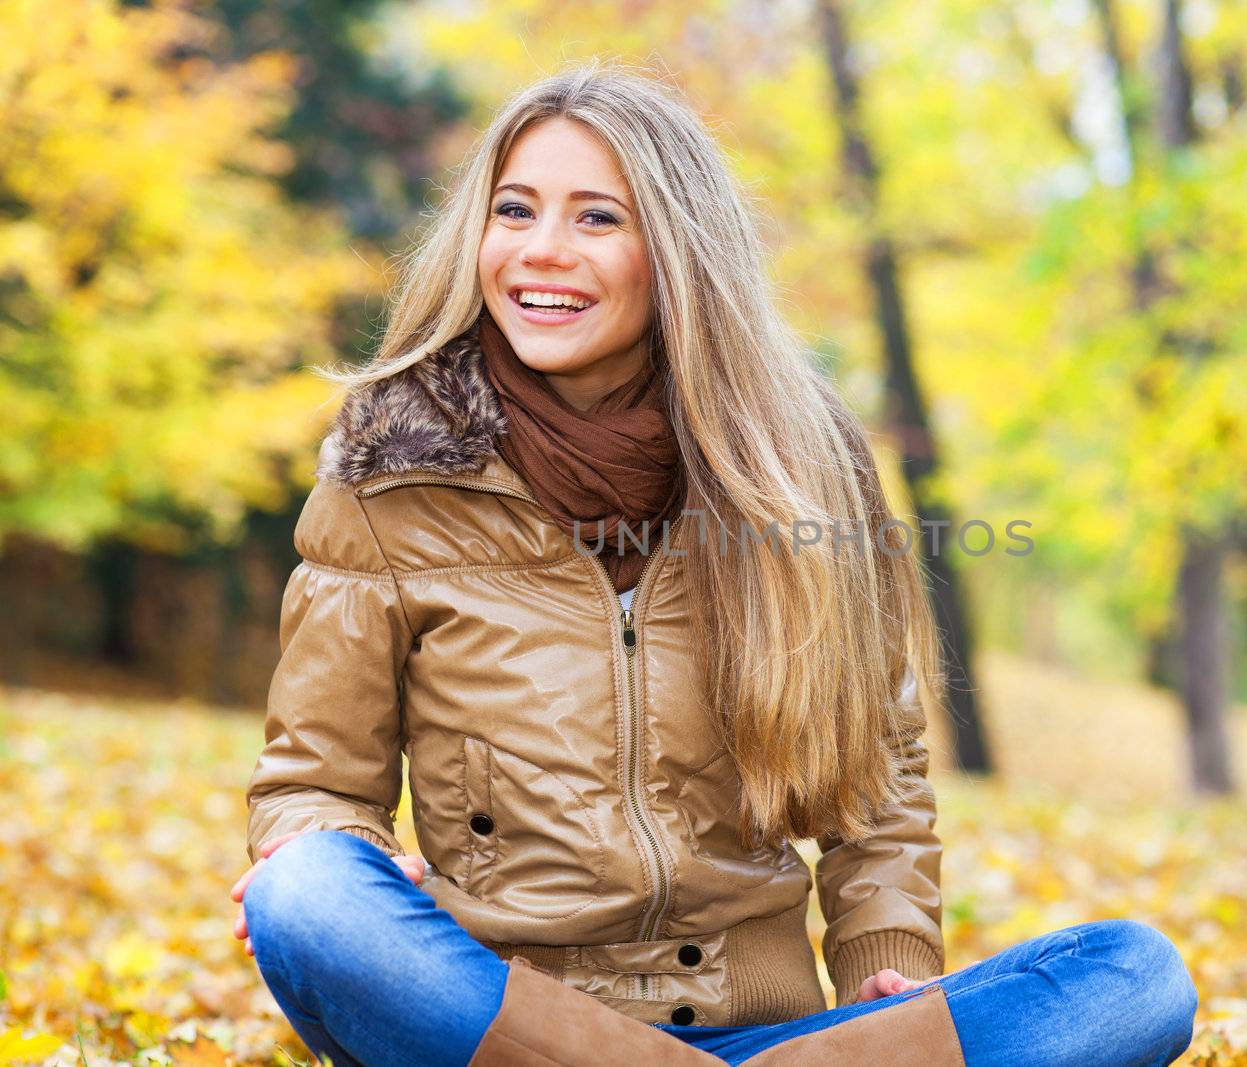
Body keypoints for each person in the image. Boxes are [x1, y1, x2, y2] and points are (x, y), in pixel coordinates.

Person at [230, 62, 1197, 1067]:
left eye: (597, 219)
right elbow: (314, 781)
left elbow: (879, 769)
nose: (539, 252)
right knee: (307, 892)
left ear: (679, 251)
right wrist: (328, 846)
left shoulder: (801, 461)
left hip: (763, 1025)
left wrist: (885, 951)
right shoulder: (391, 473)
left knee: (1134, 974)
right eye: (513, 210)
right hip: (494, 1019)